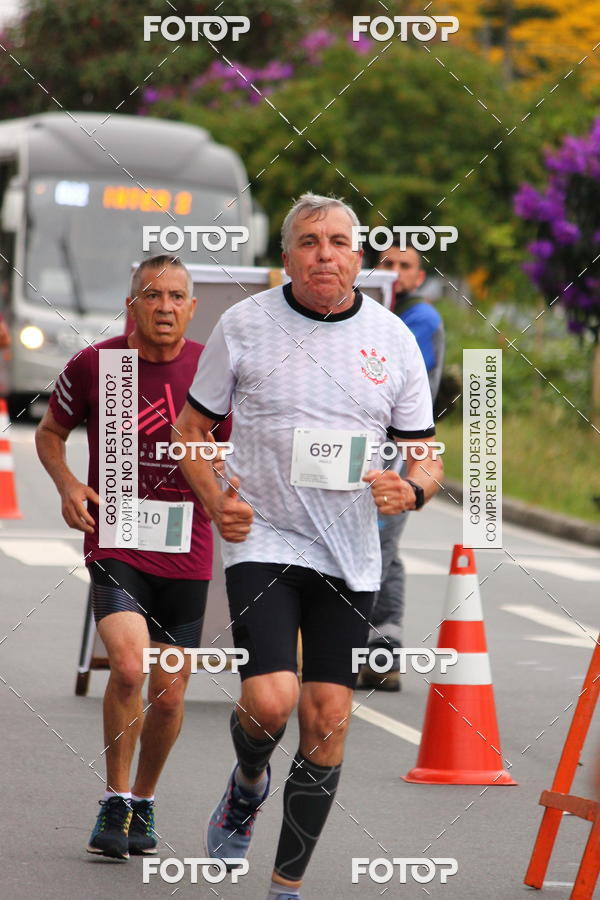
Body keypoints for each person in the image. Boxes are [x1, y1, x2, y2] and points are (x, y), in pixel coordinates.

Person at [175, 194, 443, 899]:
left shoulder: (393, 339)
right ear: (287, 257)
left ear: (358, 256)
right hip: (263, 533)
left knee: (326, 719)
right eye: (309, 241)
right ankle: (248, 782)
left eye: (338, 241)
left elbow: (427, 455)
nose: (325, 253)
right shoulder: (244, 324)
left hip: (351, 551)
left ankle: (284, 887)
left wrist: (411, 490)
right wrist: (214, 499)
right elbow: (189, 430)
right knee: (270, 701)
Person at [36, 255, 229, 860]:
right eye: (153, 295)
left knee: (169, 694)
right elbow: (49, 433)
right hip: (118, 537)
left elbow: (240, 449)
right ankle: (114, 799)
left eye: (176, 296)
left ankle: (143, 803)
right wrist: (69, 485)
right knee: (126, 667)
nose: (165, 307)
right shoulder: (98, 363)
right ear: (132, 305)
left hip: (187, 549)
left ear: (192, 308)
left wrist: (234, 492)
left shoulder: (212, 370)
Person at [356, 242, 445, 691]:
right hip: (365, 449)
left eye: (404, 266)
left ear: (417, 276)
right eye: (386, 264)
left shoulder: (419, 318)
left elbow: (388, 371)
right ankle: (380, 649)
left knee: (379, 545)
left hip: (399, 451)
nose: (394, 271)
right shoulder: (369, 313)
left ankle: (375, 650)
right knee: (379, 548)